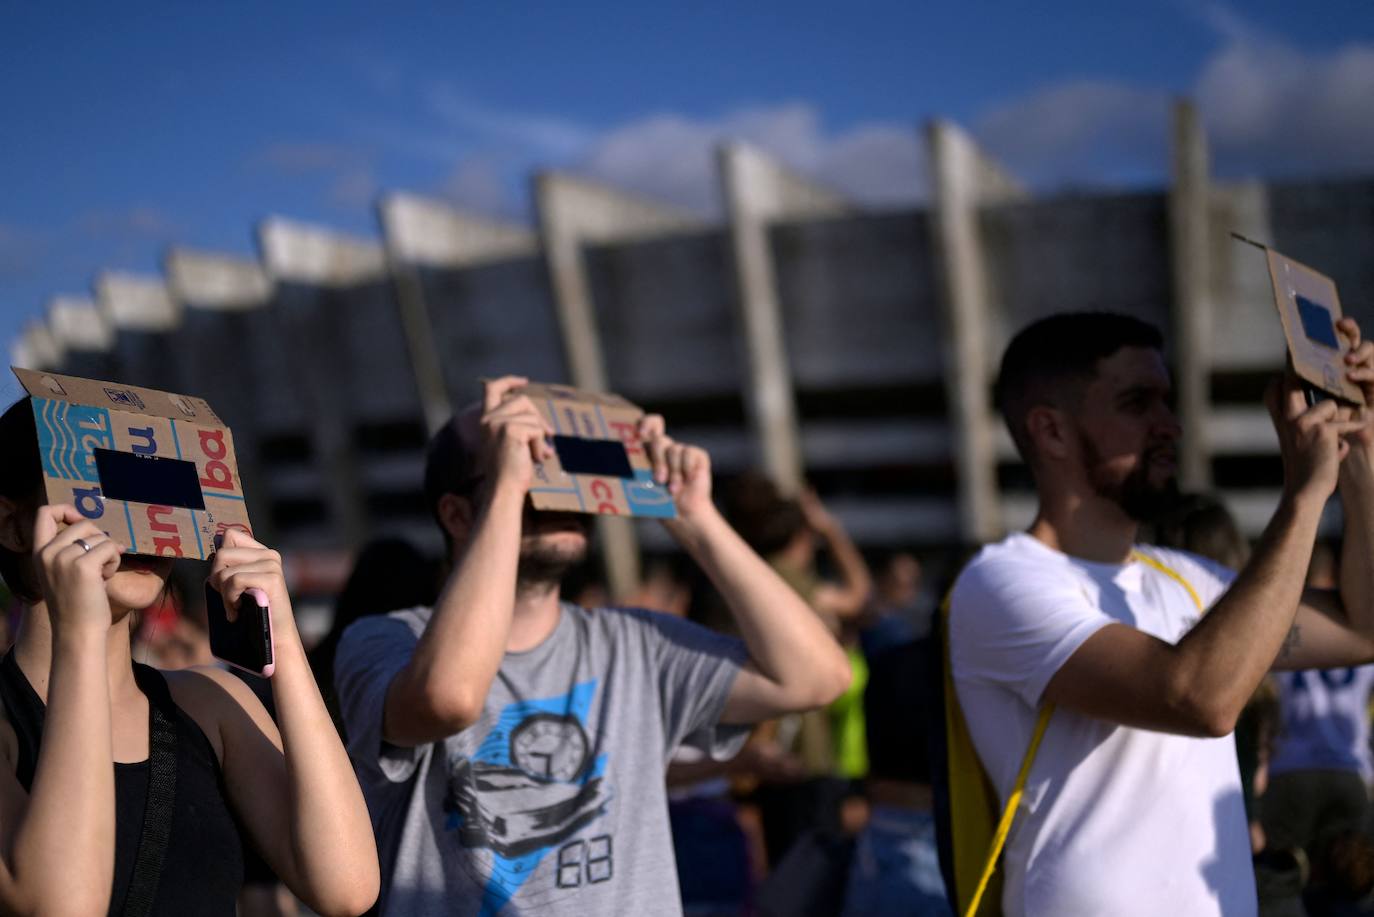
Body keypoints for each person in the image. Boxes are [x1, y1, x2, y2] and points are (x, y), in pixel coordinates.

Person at [334, 376, 852, 916]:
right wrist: (509, 488)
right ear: (458, 514)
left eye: (558, 463)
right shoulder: (385, 641)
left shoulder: (636, 645)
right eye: (529, 459)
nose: (555, 481)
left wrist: (693, 514)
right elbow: (449, 698)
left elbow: (818, 678)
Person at [948, 312, 1374, 916]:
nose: (1169, 425)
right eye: (1136, 402)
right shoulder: (1002, 582)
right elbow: (1201, 697)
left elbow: (1363, 627)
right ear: (1052, 432)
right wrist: (1304, 495)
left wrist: (1359, 450)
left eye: (1167, 401)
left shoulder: (1183, 577)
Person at [0, 397, 380, 916]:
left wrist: (281, 636)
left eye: (154, 490)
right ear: (13, 525)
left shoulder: (210, 704)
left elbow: (347, 886)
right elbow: (64, 907)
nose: (134, 522)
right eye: (99, 488)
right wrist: (80, 631)